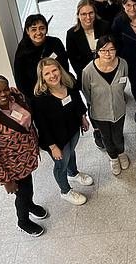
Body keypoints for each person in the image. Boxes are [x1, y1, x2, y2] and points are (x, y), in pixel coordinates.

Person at [0, 76, 47, 237]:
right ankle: (23, 221)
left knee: (28, 187)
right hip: (12, 168)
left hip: (27, 159)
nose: (3, 94)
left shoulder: (15, 96)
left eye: (5, 89)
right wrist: (6, 180)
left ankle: (30, 204)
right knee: (22, 193)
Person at [31, 58, 93, 205]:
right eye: (47, 73)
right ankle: (65, 191)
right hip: (55, 140)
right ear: (42, 77)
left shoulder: (69, 84)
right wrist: (53, 147)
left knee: (71, 152)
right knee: (61, 164)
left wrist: (83, 117)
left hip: (72, 130)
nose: (52, 75)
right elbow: (42, 126)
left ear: (60, 70)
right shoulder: (39, 99)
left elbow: (78, 102)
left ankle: (74, 173)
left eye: (54, 70)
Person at [81, 36, 132, 175]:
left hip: (119, 109)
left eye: (111, 49)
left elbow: (123, 84)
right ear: (97, 51)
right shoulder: (88, 71)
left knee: (118, 135)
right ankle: (113, 158)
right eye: (104, 50)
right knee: (106, 138)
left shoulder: (123, 64)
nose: (108, 54)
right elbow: (86, 92)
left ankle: (121, 153)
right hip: (99, 113)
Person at [13, 14, 68, 102]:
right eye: (33, 29)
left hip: (60, 89)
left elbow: (65, 67)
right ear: (27, 31)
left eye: (42, 28)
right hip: (37, 96)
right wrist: (36, 98)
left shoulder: (55, 43)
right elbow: (21, 82)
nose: (38, 32)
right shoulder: (22, 52)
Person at [65, 0, 110, 90]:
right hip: (86, 74)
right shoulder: (72, 34)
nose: (88, 17)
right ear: (78, 15)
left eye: (91, 13)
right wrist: (88, 74)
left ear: (95, 13)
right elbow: (73, 60)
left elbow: (111, 49)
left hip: (107, 69)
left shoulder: (105, 26)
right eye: (84, 14)